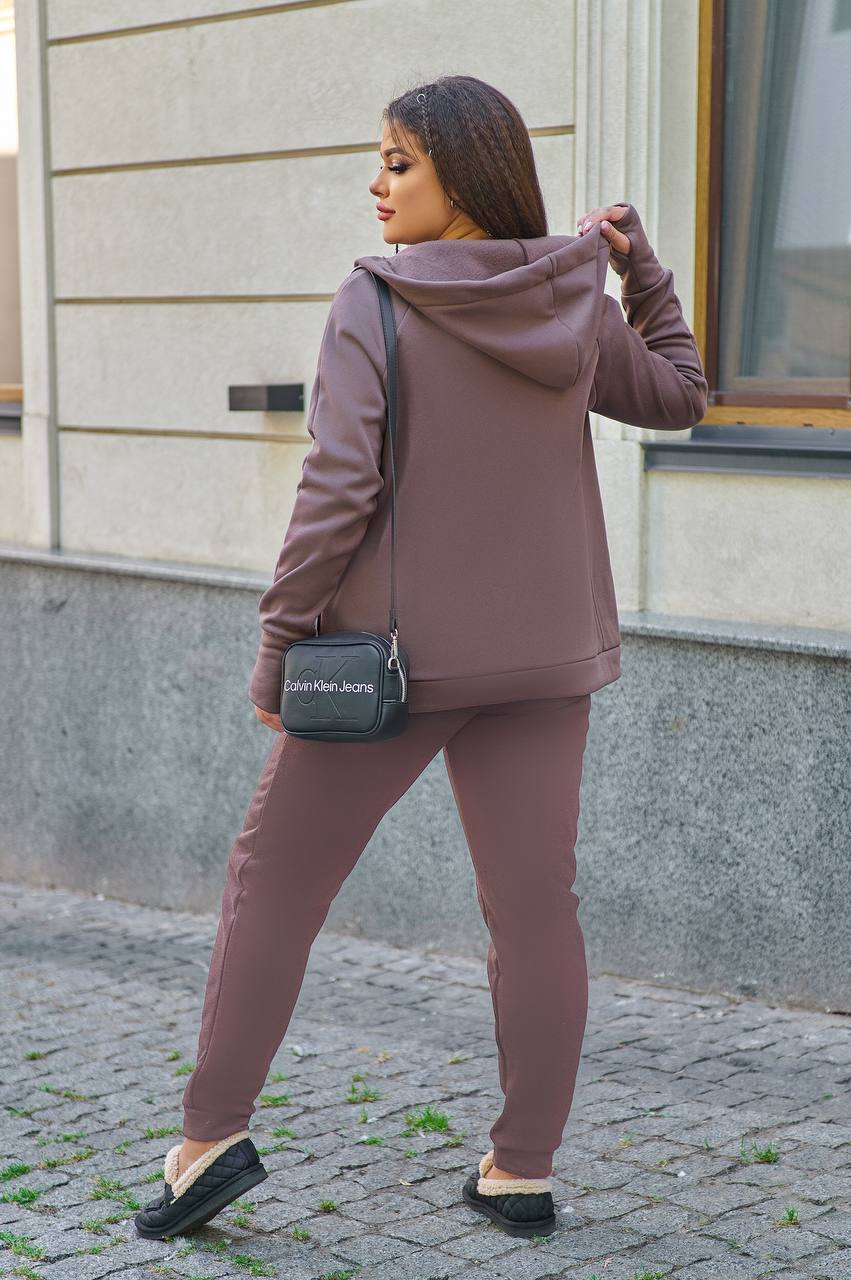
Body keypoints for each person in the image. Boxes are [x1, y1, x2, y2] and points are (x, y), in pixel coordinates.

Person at [135, 74, 707, 1241]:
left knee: (272, 881)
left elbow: (337, 487)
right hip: (542, 665)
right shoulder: (573, 299)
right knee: (534, 910)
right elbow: (681, 396)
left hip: (389, 671)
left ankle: (207, 1140)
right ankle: (519, 1169)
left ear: (466, 174)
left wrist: (278, 644)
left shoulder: (377, 297)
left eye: (399, 160)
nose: (376, 182)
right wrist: (636, 270)